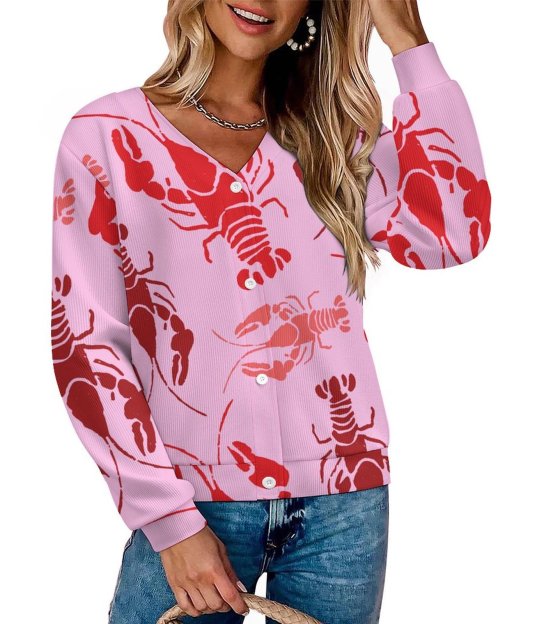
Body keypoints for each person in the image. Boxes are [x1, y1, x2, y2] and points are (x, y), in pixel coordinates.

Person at [50, 1, 491, 623]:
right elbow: (85, 344)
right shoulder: (107, 135)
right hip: (191, 500)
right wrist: (169, 521)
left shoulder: (335, 138)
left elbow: (454, 232)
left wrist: (408, 41)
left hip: (345, 503)